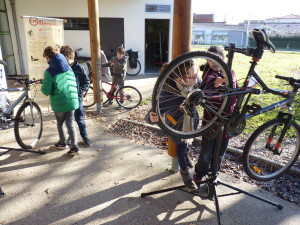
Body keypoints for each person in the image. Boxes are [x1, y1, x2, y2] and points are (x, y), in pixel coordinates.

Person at [145, 60, 201, 191]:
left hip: (191, 121)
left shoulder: (194, 82)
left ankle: (187, 154)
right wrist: (151, 118)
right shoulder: (167, 93)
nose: (196, 79)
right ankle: (185, 173)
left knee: (188, 143)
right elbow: (151, 113)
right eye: (192, 76)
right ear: (179, 80)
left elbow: (201, 90)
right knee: (180, 148)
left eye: (196, 74)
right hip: (176, 126)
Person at [193, 45, 238, 186]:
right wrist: (216, 83)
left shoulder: (230, 72)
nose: (213, 63)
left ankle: (214, 174)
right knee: (206, 151)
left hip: (227, 119)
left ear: (223, 59)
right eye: (210, 60)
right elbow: (205, 88)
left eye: (217, 59)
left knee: (220, 151)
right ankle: (200, 173)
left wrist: (229, 79)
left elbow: (235, 92)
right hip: (211, 119)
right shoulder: (207, 74)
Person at [41, 45, 80, 156]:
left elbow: (46, 91)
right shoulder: (68, 67)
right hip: (72, 100)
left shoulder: (50, 71)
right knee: (70, 124)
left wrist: (43, 85)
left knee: (60, 123)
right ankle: (75, 147)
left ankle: (63, 143)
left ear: (48, 57)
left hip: (60, 102)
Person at [60, 45, 92, 147]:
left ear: (72, 57)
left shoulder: (79, 68)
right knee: (68, 120)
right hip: (66, 99)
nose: (64, 62)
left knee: (79, 119)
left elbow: (86, 81)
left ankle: (85, 136)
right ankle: (70, 137)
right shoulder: (63, 68)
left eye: (65, 59)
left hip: (77, 99)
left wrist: (80, 92)